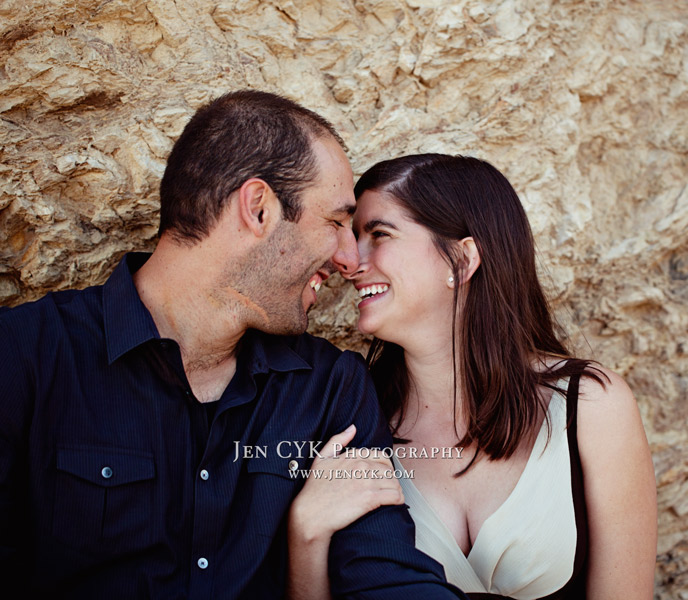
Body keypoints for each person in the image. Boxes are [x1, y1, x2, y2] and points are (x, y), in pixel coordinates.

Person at [0, 92, 467, 599]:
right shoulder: (24, 356)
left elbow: (386, 578)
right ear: (259, 208)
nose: (349, 260)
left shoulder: (331, 389)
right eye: (335, 223)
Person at [287, 154, 658, 599]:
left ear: (462, 260)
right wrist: (305, 534)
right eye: (351, 236)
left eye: (378, 234)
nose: (348, 262)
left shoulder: (588, 406)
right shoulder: (356, 414)